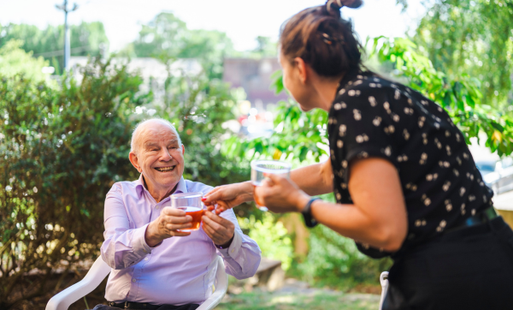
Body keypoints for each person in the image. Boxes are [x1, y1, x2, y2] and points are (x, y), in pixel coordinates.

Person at [203, 1, 513, 309]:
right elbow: (330, 173)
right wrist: (248, 191)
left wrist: (301, 203)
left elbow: (385, 230)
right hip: (485, 256)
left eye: (283, 68)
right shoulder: (373, 93)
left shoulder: (353, 105)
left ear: (300, 68)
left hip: (455, 275)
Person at [93, 118, 261, 310]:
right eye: (153, 149)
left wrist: (229, 240)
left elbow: (247, 269)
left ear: (182, 152)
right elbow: (112, 255)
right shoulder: (121, 194)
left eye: (172, 147)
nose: (166, 156)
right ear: (136, 161)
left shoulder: (209, 198)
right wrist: (153, 232)